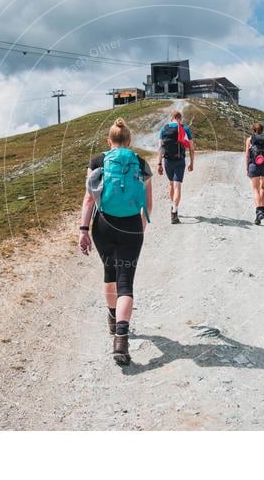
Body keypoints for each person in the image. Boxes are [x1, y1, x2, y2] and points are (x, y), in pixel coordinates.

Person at [79, 118, 153, 365]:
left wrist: (83, 230)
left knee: (110, 272)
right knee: (125, 283)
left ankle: (113, 318)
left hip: (103, 226)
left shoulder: (97, 161)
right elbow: (148, 204)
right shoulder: (141, 163)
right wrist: (138, 228)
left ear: (109, 141)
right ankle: (121, 339)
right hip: (131, 225)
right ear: (129, 141)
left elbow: (89, 200)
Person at [157, 109, 194, 224]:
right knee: (177, 186)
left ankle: (172, 205)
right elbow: (191, 148)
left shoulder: (164, 129)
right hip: (179, 160)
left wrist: (159, 164)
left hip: (167, 161)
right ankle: (174, 210)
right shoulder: (185, 129)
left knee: (171, 184)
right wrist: (192, 162)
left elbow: (161, 148)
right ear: (180, 118)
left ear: (171, 117)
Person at [245, 122, 264, 225]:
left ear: (253, 130)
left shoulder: (249, 139)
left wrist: (247, 168)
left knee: (255, 189)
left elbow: (247, 155)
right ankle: (263, 211)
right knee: (263, 188)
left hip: (253, 166)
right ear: (262, 130)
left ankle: (258, 212)